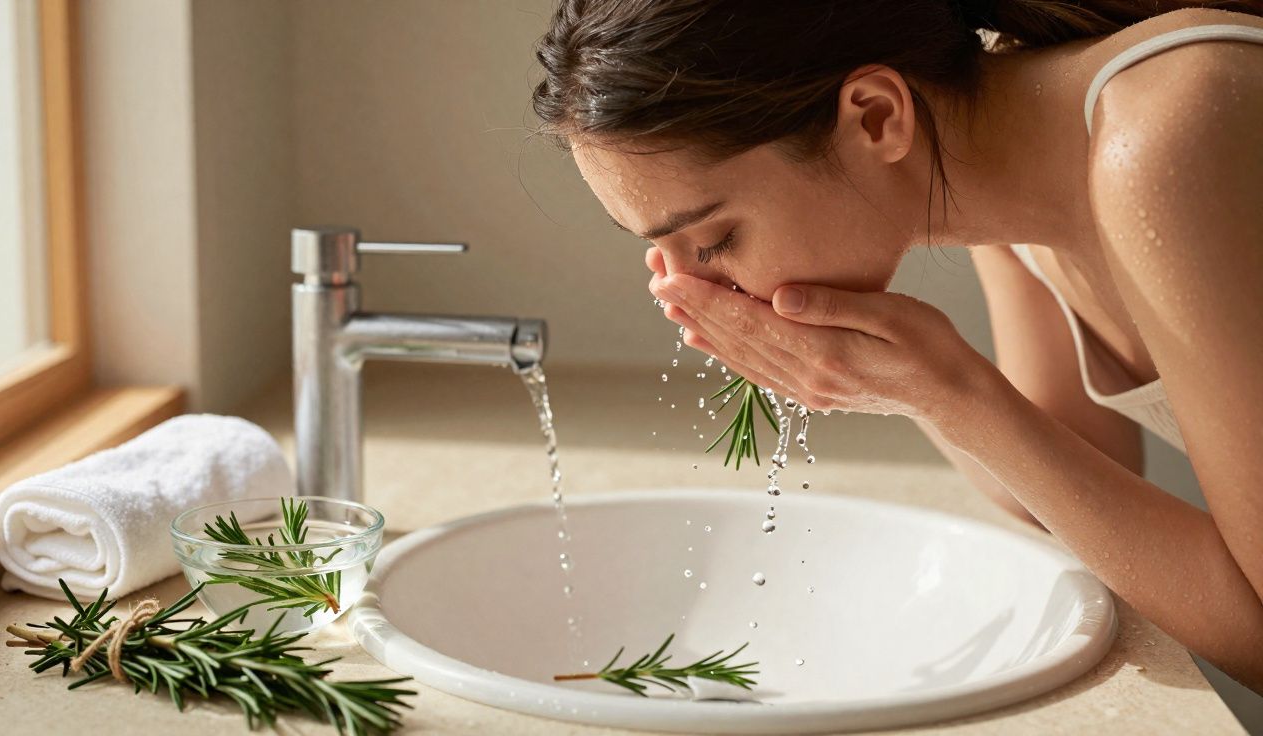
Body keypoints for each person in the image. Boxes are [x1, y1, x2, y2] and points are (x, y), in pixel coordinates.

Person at [531, 1, 1263, 692]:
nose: (694, 288)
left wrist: (953, 391)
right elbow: (1068, 468)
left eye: (715, 239)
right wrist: (909, 386)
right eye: (663, 252)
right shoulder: (1004, 167)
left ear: (877, 116)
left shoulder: (1167, 136)